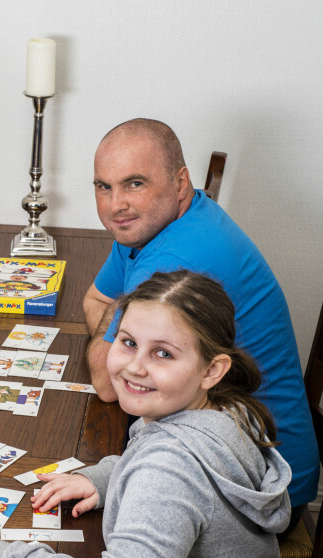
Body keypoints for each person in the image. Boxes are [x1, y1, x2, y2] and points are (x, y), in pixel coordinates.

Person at [0, 270, 300, 558]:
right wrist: (109, 477)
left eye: (163, 353)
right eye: (128, 342)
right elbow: (195, 486)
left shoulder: (166, 470)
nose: (135, 366)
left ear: (211, 370)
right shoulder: (225, 410)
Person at [82, 118, 318, 524]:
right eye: (104, 186)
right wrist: (119, 318)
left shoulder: (175, 256)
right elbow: (97, 299)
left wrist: (116, 333)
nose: (115, 204)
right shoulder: (146, 225)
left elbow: (107, 381)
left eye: (135, 183)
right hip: (205, 444)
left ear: (180, 183)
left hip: (259, 487)